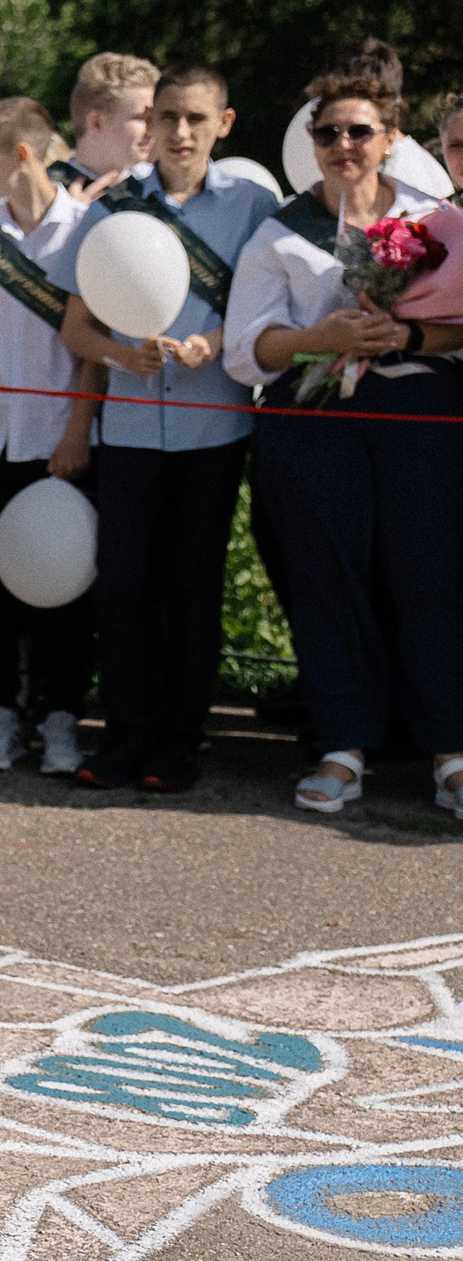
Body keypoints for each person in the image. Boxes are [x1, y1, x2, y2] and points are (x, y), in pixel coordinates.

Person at [223, 65, 463, 817]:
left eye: (360, 130)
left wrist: (410, 330)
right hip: (313, 412)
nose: (343, 145)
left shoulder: (441, 220)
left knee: (430, 574)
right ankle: (342, 746)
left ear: (391, 139)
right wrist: (315, 338)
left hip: (418, 409)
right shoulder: (278, 233)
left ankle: (451, 750)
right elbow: (244, 352)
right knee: (328, 575)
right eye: (327, 133)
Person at [53, 63, 277, 792]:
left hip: (214, 430)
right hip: (129, 432)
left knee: (192, 590)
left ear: (224, 125)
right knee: (122, 590)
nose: (180, 132)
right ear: (149, 124)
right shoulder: (111, 210)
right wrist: (123, 353)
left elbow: (270, 308)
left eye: (196, 119)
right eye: (168, 117)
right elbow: (75, 329)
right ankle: (123, 737)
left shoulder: (252, 205)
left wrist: (218, 341)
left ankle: (179, 743)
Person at [0, 97, 100, 774]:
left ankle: (61, 716)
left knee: (65, 587)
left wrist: (76, 431)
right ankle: (2, 713)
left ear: (24, 156)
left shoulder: (87, 234)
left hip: (56, 441)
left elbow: (93, 351)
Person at [53, 52, 160, 199]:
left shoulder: (157, 186)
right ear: (95, 123)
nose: (152, 131)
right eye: (141, 119)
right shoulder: (46, 196)